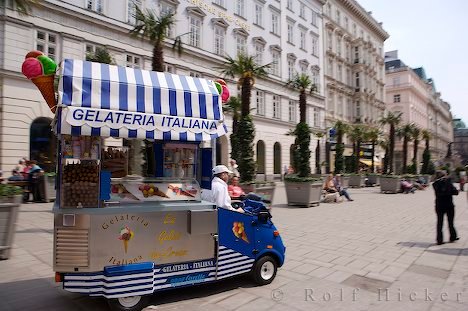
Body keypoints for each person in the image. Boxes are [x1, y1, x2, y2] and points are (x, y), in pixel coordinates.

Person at [432, 170, 459, 245]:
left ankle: (439, 240)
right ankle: (452, 236)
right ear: (444, 175)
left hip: (439, 205)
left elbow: (440, 192)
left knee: (439, 223)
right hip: (449, 205)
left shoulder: (435, 184)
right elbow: (455, 192)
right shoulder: (448, 182)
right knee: (451, 222)